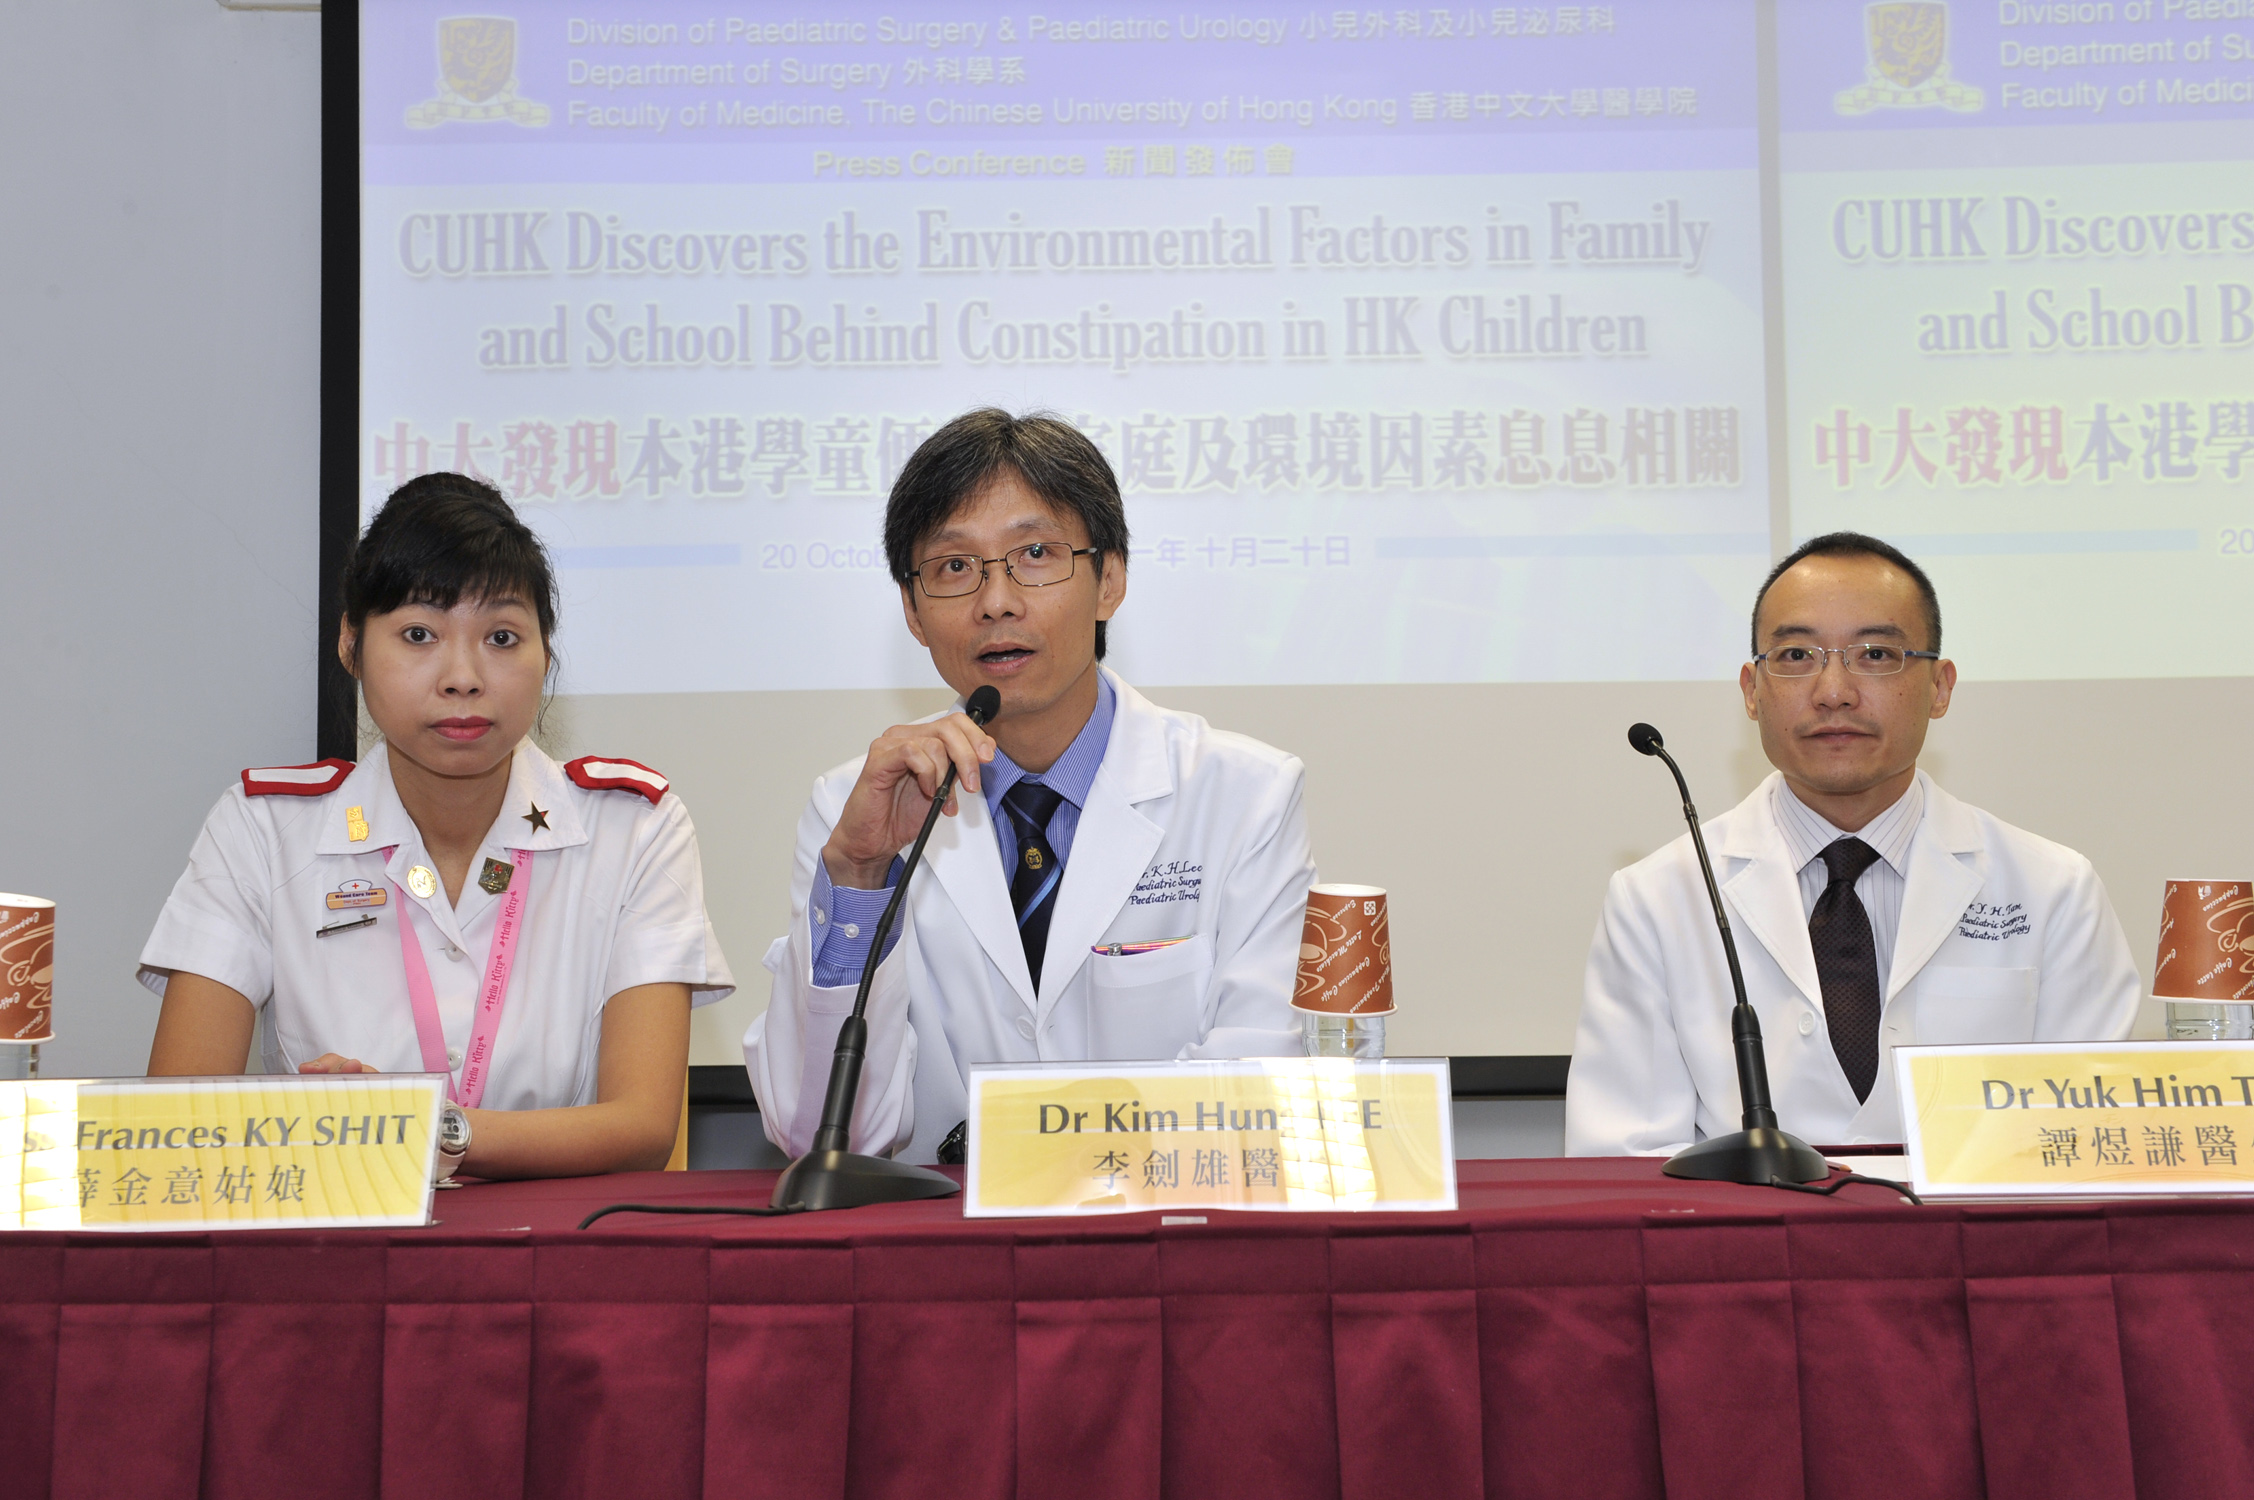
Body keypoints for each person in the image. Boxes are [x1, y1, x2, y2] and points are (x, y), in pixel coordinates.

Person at [745, 409, 1315, 1165]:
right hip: (941, 1261)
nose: (996, 601)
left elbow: (1260, 1085)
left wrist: (1030, 1146)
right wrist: (857, 877)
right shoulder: (858, 805)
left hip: (1162, 1243)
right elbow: (818, 1133)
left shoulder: (1245, 796)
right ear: (913, 613)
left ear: (1109, 579)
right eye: (954, 568)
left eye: (1036, 554)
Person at [139, 473, 733, 1178]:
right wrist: (309, 1127)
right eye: (419, 633)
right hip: (334, 1253)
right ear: (351, 645)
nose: (462, 676)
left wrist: (411, 1130)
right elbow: (176, 1116)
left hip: (556, 1260)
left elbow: (642, 1126)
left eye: (502, 636)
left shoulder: (633, 827)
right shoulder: (263, 831)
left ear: (547, 657)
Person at [1567, 532, 2141, 1153]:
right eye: (1794, 656)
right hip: (1752, 1247)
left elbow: (2093, 1145)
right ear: (1751, 691)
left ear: (1941, 686)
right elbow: (1623, 1163)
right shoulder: (1656, 898)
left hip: (1983, 1247)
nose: (1833, 690)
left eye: (1875, 654)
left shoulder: (2053, 888)